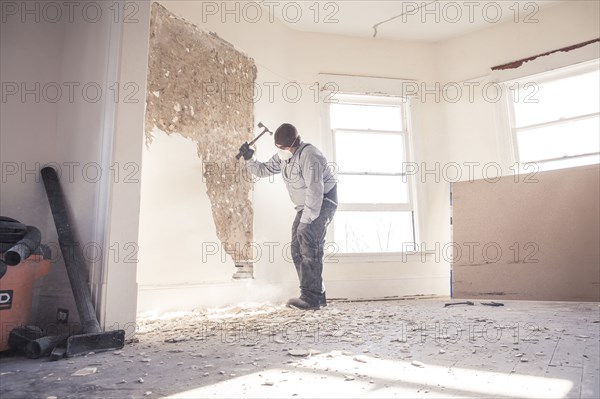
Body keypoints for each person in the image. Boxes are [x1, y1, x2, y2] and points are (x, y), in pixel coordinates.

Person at [238, 123, 338, 310]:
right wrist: (249, 157)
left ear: (293, 144)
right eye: (278, 149)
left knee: (309, 244)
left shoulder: (310, 156)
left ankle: (311, 298)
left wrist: (307, 220)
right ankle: (317, 293)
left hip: (323, 202)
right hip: (305, 205)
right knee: (296, 248)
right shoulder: (286, 155)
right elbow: (263, 170)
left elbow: (316, 191)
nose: (279, 152)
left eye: (281, 149)